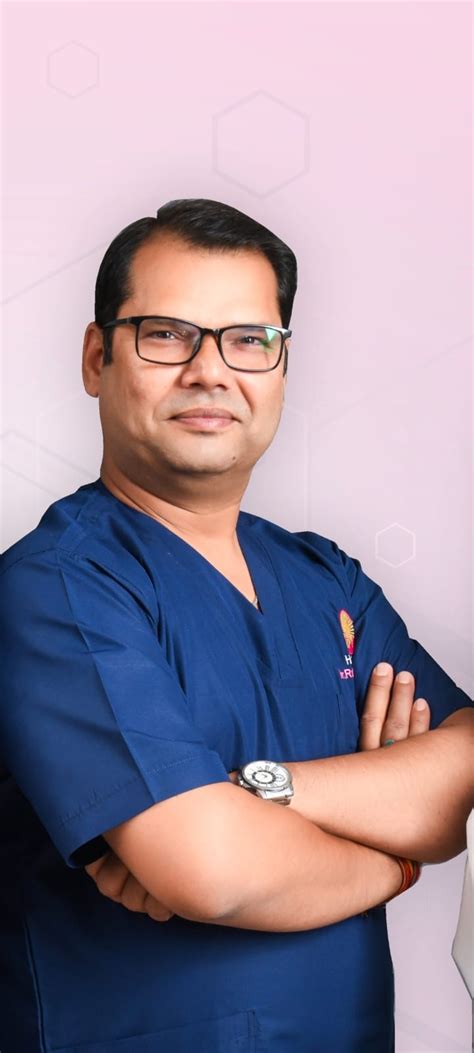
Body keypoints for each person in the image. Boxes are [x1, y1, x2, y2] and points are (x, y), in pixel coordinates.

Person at [0, 198, 472, 1053]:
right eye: (167, 334)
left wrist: (261, 792)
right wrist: (396, 856)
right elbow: (212, 868)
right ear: (98, 357)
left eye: (249, 339)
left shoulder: (325, 579)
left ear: (281, 364)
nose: (210, 371)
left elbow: (460, 770)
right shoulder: (58, 588)